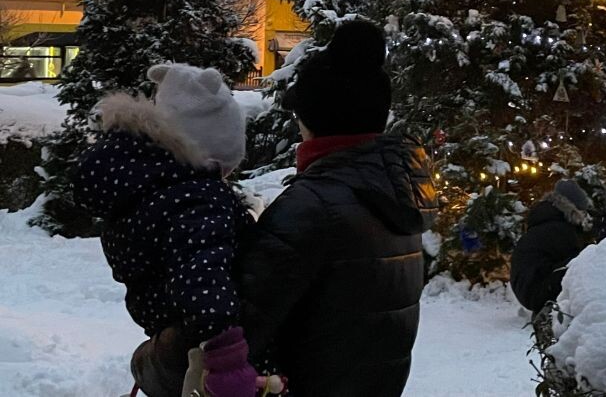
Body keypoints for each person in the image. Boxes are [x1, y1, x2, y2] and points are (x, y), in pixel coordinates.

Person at [240, 20, 437, 397]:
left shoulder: (311, 207)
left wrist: (153, 360)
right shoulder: (395, 194)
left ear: (313, 119)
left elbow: (236, 333)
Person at [73, 63, 274, 397]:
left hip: (170, 328)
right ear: (203, 153)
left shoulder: (145, 187)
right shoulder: (195, 200)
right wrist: (226, 361)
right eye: (224, 168)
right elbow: (202, 277)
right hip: (203, 344)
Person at [510, 179, 592, 317]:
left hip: (528, 286)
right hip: (536, 289)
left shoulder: (548, 219)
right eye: (582, 212)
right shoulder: (560, 229)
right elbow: (577, 262)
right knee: (583, 263)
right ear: (574, 209)